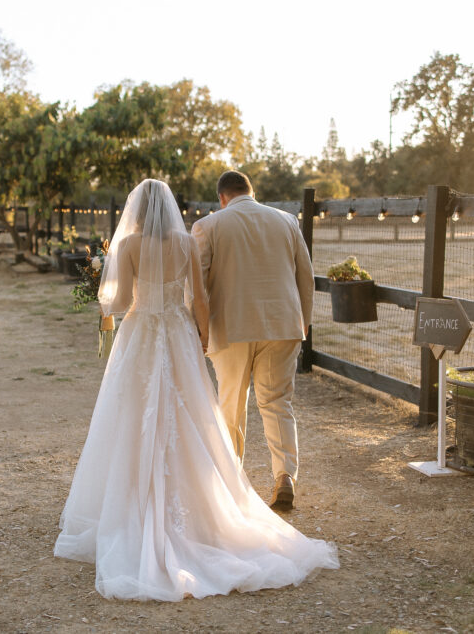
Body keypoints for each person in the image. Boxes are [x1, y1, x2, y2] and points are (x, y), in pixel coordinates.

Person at [54, 179, 337, 601]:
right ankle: (266, 477)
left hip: (165, 332)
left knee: (181, 408)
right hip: (225, 328)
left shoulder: (146, 242)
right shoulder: (203, 237)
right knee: (240, 406)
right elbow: (204, 297)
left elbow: (125, 300)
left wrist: (105, 299)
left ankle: (197, 483)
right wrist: (204, 334)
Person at [190, 170, 314, 511]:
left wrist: (198, 330)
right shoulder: (287, 221)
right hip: (283, 324)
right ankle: (285, 476)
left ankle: (231, 483)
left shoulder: (208, 226)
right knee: (276, 402)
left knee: (231, 402)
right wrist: (302, 322)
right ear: (251, 192)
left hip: (231, 327)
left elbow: (196, 286)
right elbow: (305, 276)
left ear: (222, 198)